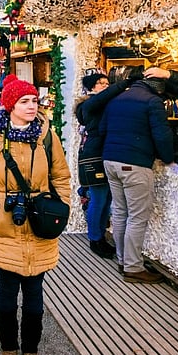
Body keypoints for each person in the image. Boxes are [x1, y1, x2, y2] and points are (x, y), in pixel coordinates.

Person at [0, 74, 71, 355]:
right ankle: (9, 350)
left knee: (35, 299)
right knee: (7, 298)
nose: (31, 106)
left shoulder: (47, 136)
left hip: (41, 224)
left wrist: (62, 208)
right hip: (4, 223)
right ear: (10, 105)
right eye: (24, 101)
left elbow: (61, 176)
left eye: (35, 101)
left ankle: (32, 351)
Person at [97, 75, 174, 283]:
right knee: (137, 216)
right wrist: (168, 157)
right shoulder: (152, 101)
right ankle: (133, 267)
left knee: (120, 212)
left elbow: (102, 129)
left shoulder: (117, 98)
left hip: (110, 160)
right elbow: (162, 134)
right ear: (158, 89)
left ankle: (123, 260)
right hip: (134, 162)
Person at [75, 67, 135, 258]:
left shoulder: (104, 104)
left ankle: (100, 235)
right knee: (99, 198)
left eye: (106, 83)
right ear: (92, 87)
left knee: (107, 198)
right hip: (94, 155)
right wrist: (123, 84)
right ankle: (95, 238)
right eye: (101, 83)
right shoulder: (90, 104)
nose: (105, 86)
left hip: (105, 153)